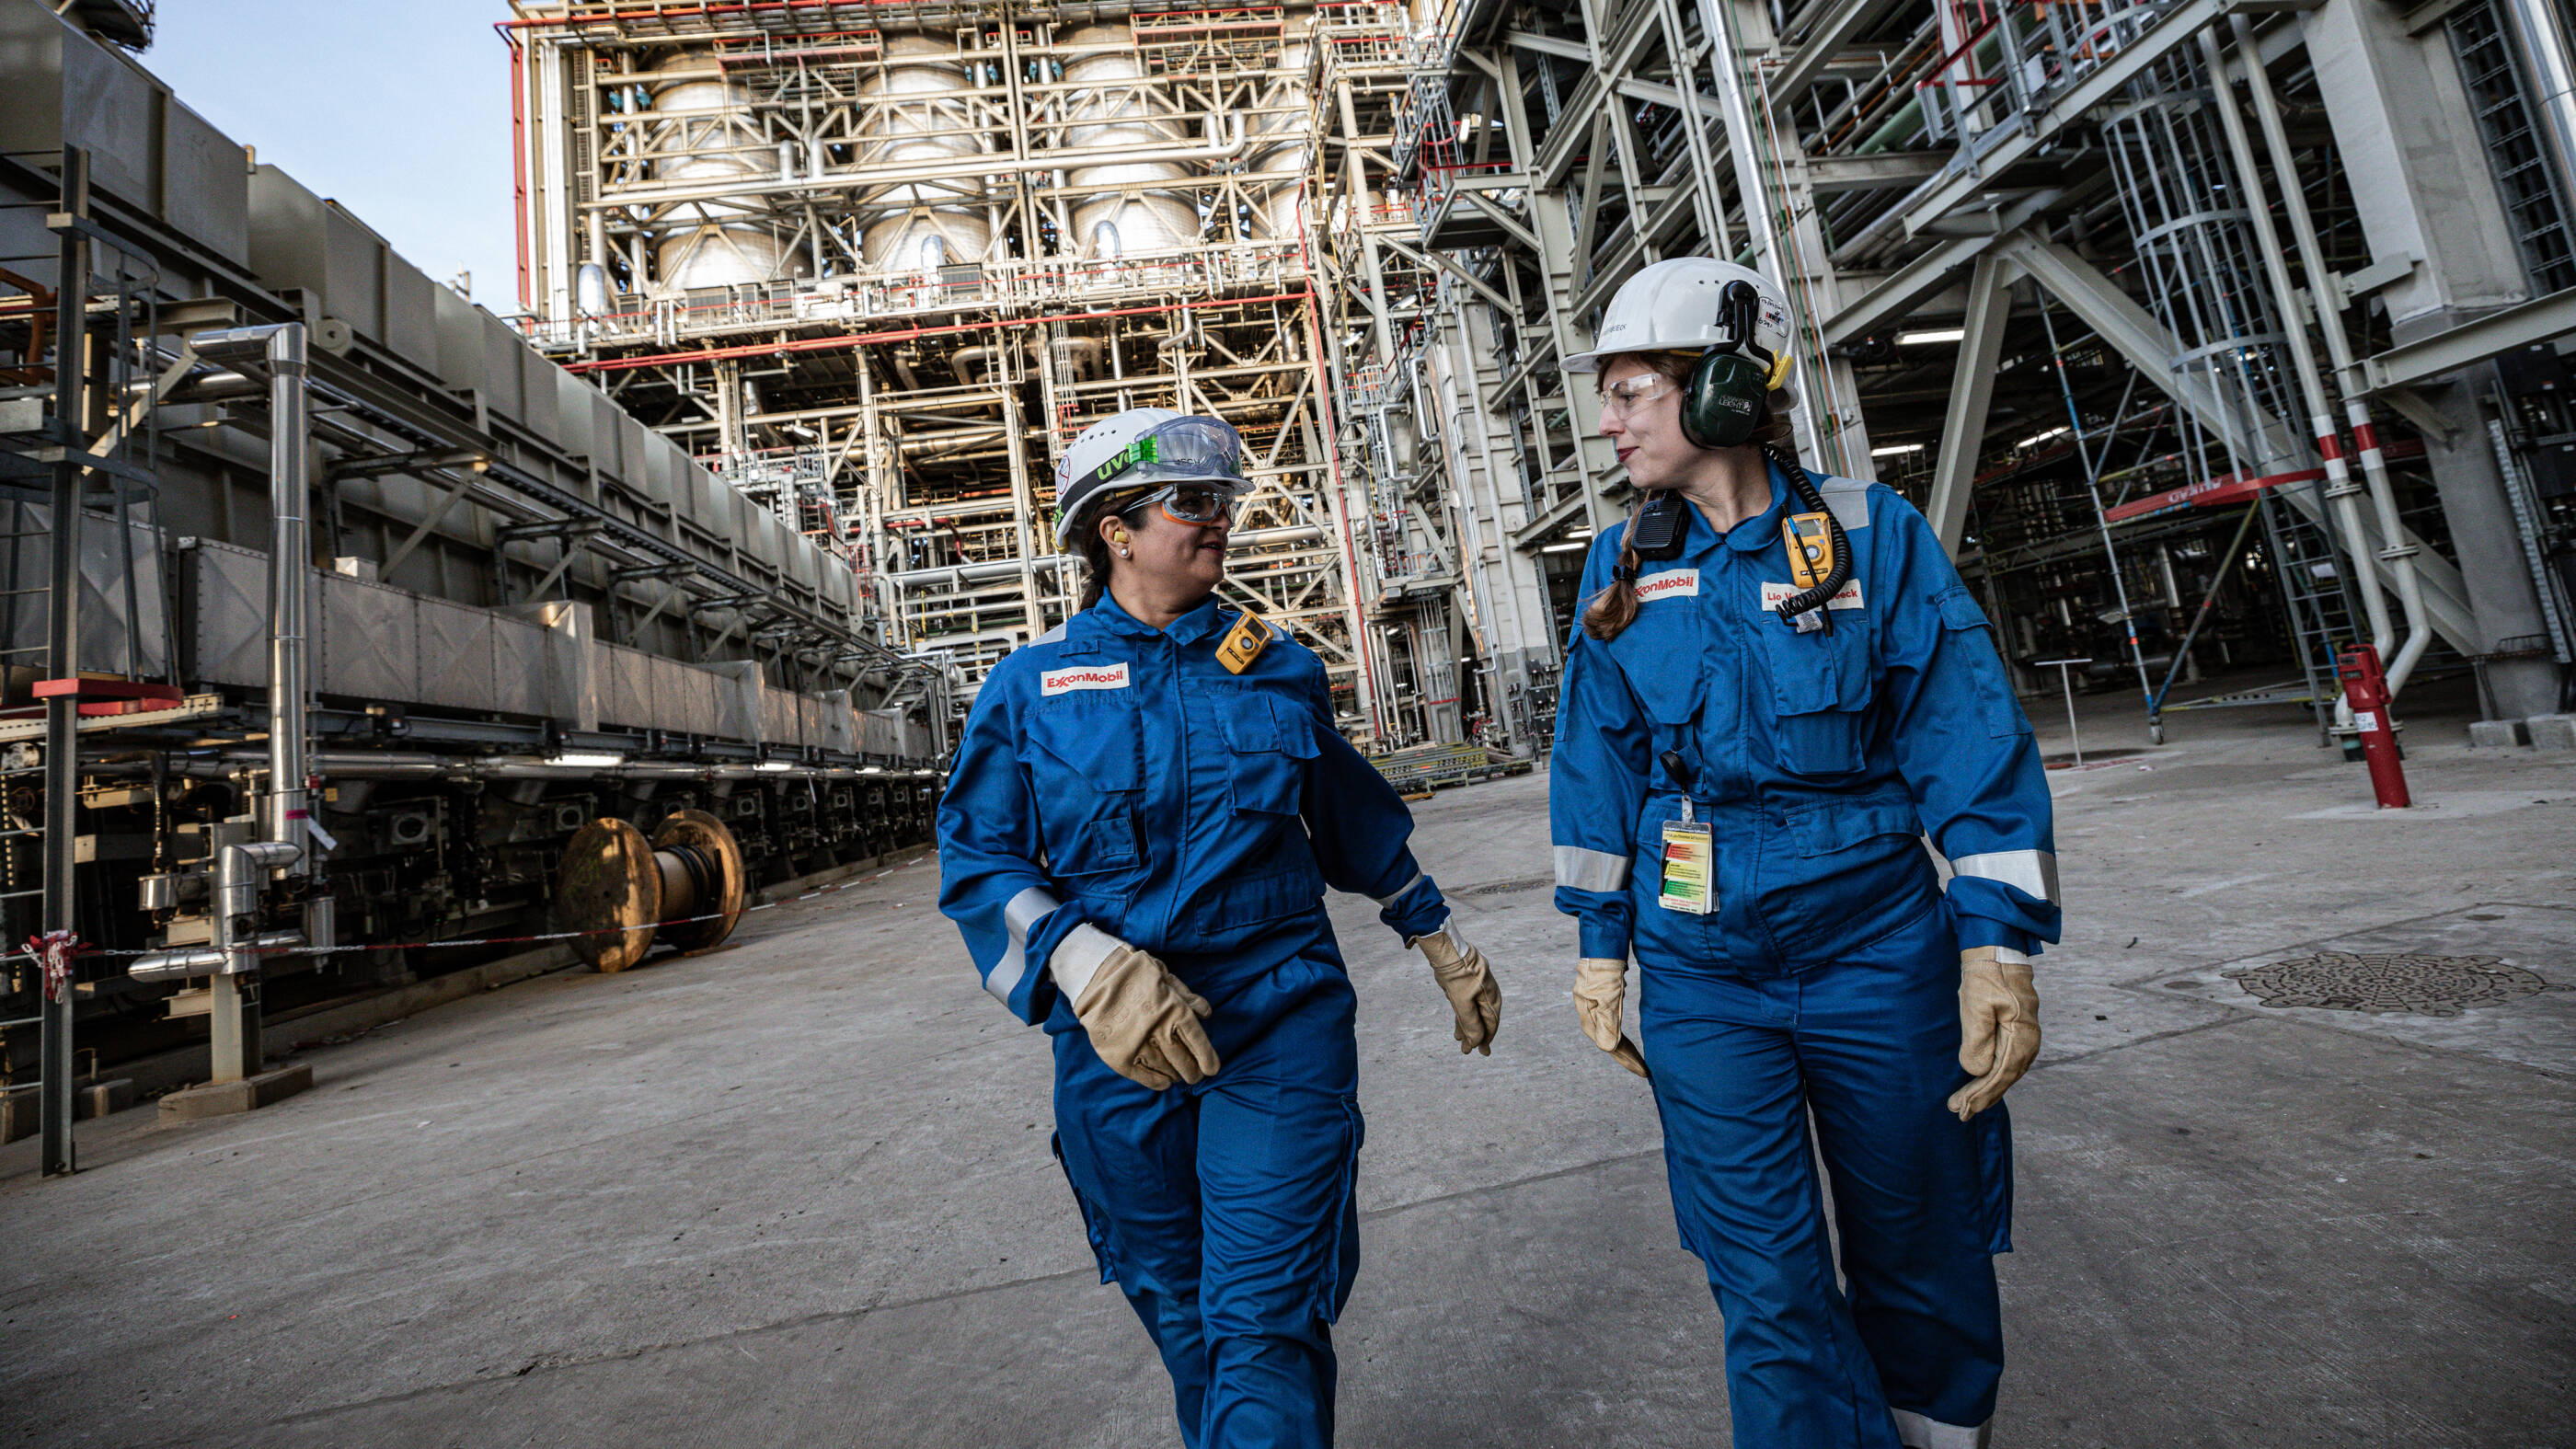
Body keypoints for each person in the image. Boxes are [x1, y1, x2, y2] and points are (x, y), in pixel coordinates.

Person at [1548, 258, 2059, 1449]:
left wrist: (1996, 946)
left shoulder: (1872, 536)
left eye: (1629, 392)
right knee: (1763, 1277)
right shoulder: (1620, 570)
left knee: (1920, 1235)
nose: (1608, 421)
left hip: (1876, 953)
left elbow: (1967, 739)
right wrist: (1600, 947)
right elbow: (1596, 770)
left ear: (1720, 390)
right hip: (1703, 973)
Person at [937, 407, 1504, 1449]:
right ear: (1115, 528)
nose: (1220, 521)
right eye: (1192, 503)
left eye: (1223, 501)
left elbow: (1350, 823)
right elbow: (979, 862)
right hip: (1119, 1048)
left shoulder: (1275, 668)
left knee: (1265, 1312)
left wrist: (1438, 938)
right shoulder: (1028, 690)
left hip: (1278, 1016)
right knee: (1184, 1314)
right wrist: (1079, 957)